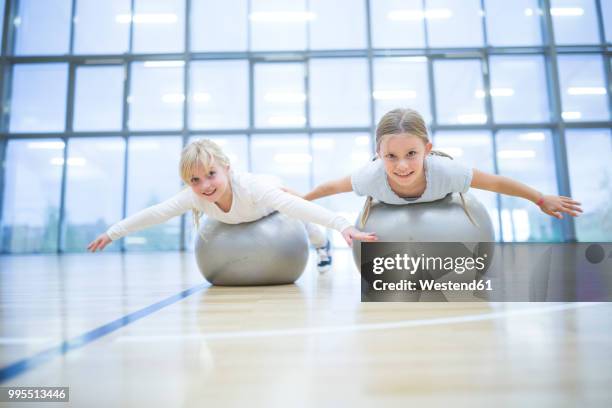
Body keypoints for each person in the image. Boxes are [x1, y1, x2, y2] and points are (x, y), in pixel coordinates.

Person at [87, 139, 377, 273]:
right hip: (252, 208)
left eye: (211, 174)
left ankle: (321, 246)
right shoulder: (195, 196)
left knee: (296, 214)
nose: (205, 186)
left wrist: (342, 225)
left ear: (226, 168)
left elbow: (296, 206)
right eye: (195, 180)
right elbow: (157, 213)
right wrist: (113, 232)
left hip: (271, 196)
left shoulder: (252, 187)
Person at [303, 108, 582, 227]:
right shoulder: (371, 176)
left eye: (411, 153)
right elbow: (329, 187)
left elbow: (495, 183)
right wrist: (295, 203)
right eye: (391, 156)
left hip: (446, 205)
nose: (402, 165)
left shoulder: (447, 172)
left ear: (427, 149)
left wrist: (541, 199)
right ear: (378, 154)